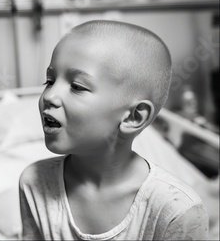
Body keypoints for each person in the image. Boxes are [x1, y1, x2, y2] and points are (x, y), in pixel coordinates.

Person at [19, 20, 209, 240]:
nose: (49, 96)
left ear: (133, 116)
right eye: (50, 81)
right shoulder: (35, 182)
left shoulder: (176, 209)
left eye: (77, 87)